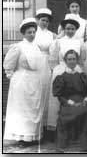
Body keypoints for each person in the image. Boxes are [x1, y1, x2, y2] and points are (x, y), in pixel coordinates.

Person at [3, 18, 45, 147]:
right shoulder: (18, 47)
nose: (32, 35)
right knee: (22, 110)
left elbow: (39, 64)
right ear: (23, 33)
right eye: (29, 32)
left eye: (33, 32)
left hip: (35, 81)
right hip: (21, 82)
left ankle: (33, 136)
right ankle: (22, 138)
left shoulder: (37, 47)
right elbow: (8, 66)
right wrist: (15, 79)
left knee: (34, 108)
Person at [47, 14, 87, 139]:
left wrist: (76, 70)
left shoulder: (79, 42)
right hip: (60, 70)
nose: (70, 31)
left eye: (72, 29)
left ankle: (73, 129)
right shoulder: (58, 41)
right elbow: (52, 59)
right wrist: (58, 71)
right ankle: (56, 129)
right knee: (59, 100)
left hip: (75, 70)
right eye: (68, 28)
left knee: (74, 98)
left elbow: (82, 58)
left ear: (76, 30)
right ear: (64, 29)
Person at [53, 50, 87, 152]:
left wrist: (85, 100)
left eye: (74, 59)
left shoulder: (81, 76)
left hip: (82, 102)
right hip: (67, 103)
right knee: (70, 112)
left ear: (77, 60)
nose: (72, 61)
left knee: (86, 111)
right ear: (65, 61)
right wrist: (72, 103)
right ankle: (66, 143)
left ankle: (82, 143)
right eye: (69, 59)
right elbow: (60, 96)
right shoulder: (61, 77)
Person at [34, 8, 56, 134]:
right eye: (42, 20)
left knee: (47, 93)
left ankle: (46, 125)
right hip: (36, 63)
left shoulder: (52, 35)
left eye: (47, 21)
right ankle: (36, 127)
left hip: (47, 64)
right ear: (37, 20)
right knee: (37, 93)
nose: (44, 23)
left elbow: (54, 51)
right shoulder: (33, 33)